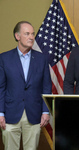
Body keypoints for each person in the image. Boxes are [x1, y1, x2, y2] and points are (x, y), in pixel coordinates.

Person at [0, 21, 52, 150]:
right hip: (10, 114)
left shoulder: (42, 59)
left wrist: (45, 111)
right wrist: (0, 112)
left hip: (34, 113)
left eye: (33, 34)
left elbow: (46, 87)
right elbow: (1, 87)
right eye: (27, 34)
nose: (31, 37)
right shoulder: (4, 58)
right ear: (17, 36)